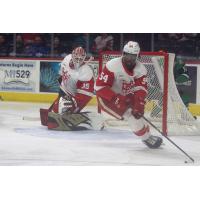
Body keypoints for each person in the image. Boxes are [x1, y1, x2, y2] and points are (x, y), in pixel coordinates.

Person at [95, 41, 163, 149]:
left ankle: (147, 135)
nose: (129, 59)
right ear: (123, 53)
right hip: (107, 99)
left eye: (133, 56)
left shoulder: (141, 70)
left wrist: (139, 104)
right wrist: (117, 98)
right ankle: (146, 138)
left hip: (125, 97)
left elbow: (141, 89)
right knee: (132, 117)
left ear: (137, 56)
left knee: (138, 115)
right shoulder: (112, 65)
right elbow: (99, 87)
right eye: (127, 55)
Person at [40, 47, 103, 131]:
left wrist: (73, 106)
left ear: (84, 58)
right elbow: (62, 73)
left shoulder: (86, 72)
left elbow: (84, 96)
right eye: (76, 58)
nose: (78, 60)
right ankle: (65, 114)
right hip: (64, 90)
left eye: (81, 58)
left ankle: (91, 119)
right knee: (51, 117)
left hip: (80, 95)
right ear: (72, 56)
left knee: (63, 113)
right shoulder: (67, 58)